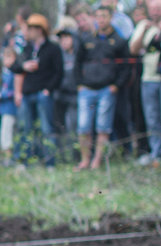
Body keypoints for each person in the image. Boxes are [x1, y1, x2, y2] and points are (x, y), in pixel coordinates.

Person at [74, 3, 130, 168]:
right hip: (87, 89)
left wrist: (116, 85)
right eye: (98, 16)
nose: (101, 20)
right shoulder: (87, 38)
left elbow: (126, 67)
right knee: (83, 127)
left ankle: (97, 161)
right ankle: (85, 160)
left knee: (103, 127)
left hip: (107, 89)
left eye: (104, 16)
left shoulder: (119, 40)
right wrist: (79, 84)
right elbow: (77, 63)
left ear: (111, 18)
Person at [11, 14, 63, 165]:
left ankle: (49, 162)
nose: (28, 32)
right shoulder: (27, 49)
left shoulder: (53, 49)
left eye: (31, 29)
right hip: (27, 94)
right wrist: (23, 66)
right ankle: (24, 161)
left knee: (46, 129)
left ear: (40, 30)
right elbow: (14, 67)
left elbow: (59, 72)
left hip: (43, 94)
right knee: (25, 128)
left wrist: (48, 89)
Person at [130, 0, 161, 164]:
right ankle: (156, 154)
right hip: (149, 78)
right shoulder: (144, 25)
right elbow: (133, 50)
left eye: (158, 8)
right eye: (153, 8)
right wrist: (144, 31)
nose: (155, 11)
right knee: (152, 118)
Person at [54, 27, 80, 160]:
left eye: (66, 38)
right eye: (61, 38)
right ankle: (61, 157)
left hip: (74, 95)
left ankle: (76, 156)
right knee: (59, 127)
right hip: (59, 94)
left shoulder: (78, 55)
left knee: (73, 126)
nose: (63, 41)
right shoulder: (58, 55)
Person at [0, 46, 19, 161]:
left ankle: (10, 158)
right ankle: (6, 157)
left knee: (8, 132)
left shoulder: (16, 73)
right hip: (3, 108)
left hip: (12, 107)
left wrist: (2, 95)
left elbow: (15, 91)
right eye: (4, 57)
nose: (6, 60)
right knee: (4, 132)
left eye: (9, 57)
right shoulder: (4, 73)